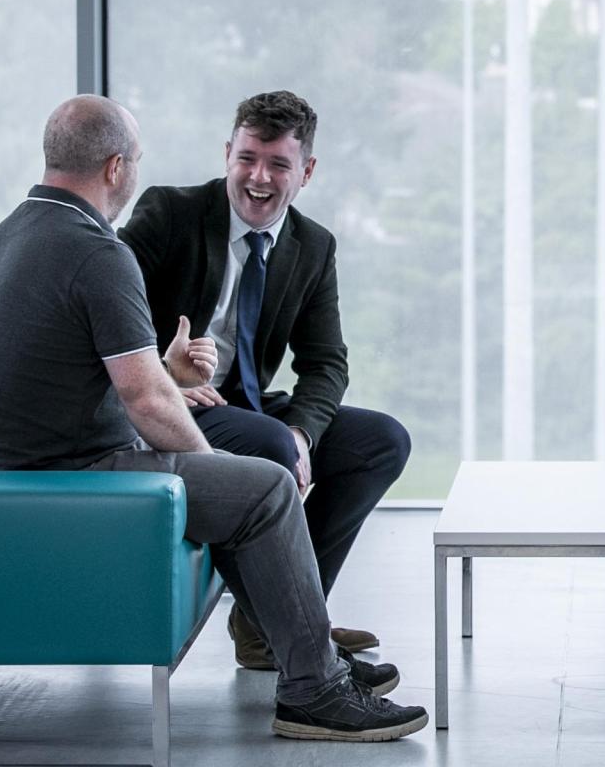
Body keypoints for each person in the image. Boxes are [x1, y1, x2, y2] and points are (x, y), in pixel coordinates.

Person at [0, 94, 427, 742]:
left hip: (10, 462)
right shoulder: (97, 250)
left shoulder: (8, 233)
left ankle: (304, 651)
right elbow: (147, 398)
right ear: (116, 167)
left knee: (277, 473)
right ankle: (314, 691)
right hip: (70, 470)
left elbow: (320, 361)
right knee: (260, 488)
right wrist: (212, 472)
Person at [118, 90, 411, 667]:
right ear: (227, 152)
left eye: (278, 164)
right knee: (271, 443)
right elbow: (105, 316)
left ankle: (263, 622)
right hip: (171, 403)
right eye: (248, 158)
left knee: (382, 442)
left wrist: (304, 434)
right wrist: (162, 374)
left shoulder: (313, 245)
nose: (259, 177)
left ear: (306, 171)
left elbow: (327, 361)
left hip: (247, 407)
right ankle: (294, 629)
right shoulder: (167, 213)